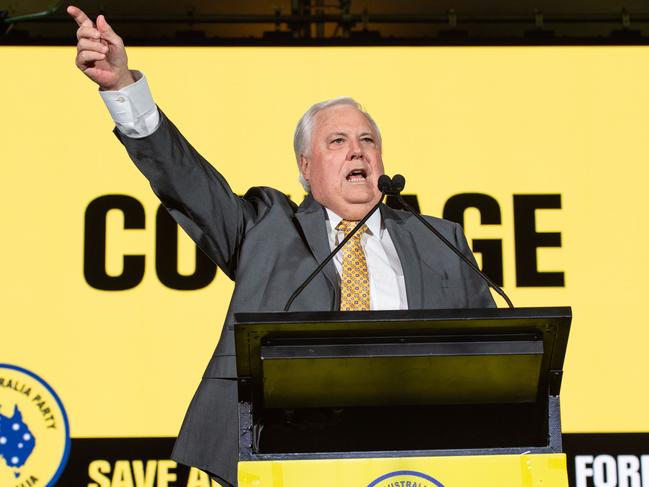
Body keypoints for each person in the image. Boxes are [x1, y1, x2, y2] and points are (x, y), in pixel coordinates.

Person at [67, 6, 496, 486]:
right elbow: (188, 183)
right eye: (337, 141)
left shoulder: (440, 240)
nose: (358, 150)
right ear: (306, 168)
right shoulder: (267, 226)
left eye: (367, 141)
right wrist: (124, 87)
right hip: (281, 452)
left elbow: (494, 359)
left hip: (414, 459)